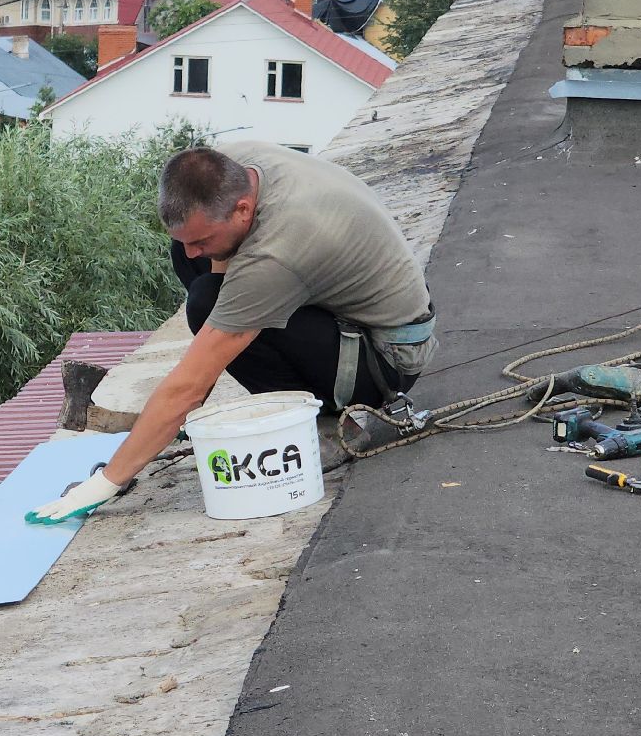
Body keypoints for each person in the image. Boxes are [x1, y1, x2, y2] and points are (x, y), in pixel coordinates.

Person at [26, 141, 437, 524]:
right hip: (345, 315)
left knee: (207, 302)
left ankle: (330, 422)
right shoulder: (232, 168)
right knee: (196, 260)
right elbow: (207, 259)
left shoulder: (277, 253)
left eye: (201, 238)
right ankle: (234, 333)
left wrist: (105, 483)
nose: (191, 251)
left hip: (386, 360)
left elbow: (188, 387)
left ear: (243, 209)